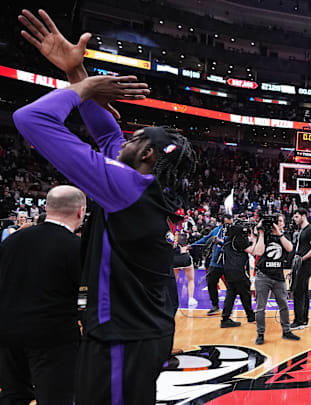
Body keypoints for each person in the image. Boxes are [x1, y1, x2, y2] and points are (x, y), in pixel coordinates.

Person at [15, 10, 197, 404]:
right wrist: (75, 71)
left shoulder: (126, 186)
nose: (124, 138)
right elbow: (106, 133)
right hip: (134, 333)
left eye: (135, 137)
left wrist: (88, 87)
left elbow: (30, 118)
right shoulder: (141, 184)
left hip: (123, 338)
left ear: (147, 153)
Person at [0, 186, 85, 405]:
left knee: (13, 396)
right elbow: (85, 298)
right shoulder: (76, 247)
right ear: (81, 212)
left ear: (46, 207)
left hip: (8, 335)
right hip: (53, 339)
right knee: (56, 398)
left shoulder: (11, 242)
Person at [254, 214, 301, 344]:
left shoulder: (285, 236)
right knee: (260, 308)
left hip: (279, 277)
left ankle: (286, 331)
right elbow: (258, 252)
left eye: (279, 221)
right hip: (263, 276)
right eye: (275, 221)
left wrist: (278, 233)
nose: (277, 223)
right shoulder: (264, 235)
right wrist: (262, 233)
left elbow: (290, 248)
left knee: (284, 305)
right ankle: (260, 334)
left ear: (283, 224)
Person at [220, 220, 263, 328]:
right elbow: (254, 251)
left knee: (231, 294)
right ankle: (250, 316)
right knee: (245, 293)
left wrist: (252, 238)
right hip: (238, 270)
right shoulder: (239, 239)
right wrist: (259, 236)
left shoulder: (229, 239)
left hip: (228, 270)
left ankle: (225, 318)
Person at [191, 214, 233, 315]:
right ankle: (215, 306)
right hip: (216, 263)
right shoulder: (216, 230)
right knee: (210, 282)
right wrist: (191, 246)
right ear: (223, 222)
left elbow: (232, 244)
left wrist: (221, 242)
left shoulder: (234, 231)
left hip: (229, 263)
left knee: (232, 286)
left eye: (231, 223)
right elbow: (205, 239)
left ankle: (228, 309)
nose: (230, 225)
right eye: (227, 223)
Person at [290, 208, 311, 330]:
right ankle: (303, 319)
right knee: (303, 291)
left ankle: (299, 321)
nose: (294, 219)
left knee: (298, 291)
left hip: (306, 264)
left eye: (296, 216)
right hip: (302, 263)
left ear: (303, 216)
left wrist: (303, 258)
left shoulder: (310, 230)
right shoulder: (302, 230)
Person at [173, 212, 197, 307]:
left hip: (175, 257)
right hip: (185, 257)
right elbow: (194, 235)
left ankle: (171, 298)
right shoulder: (187, 233)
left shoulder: (173, 231)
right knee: (191, 280)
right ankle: (191, 299)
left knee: (173, 281)